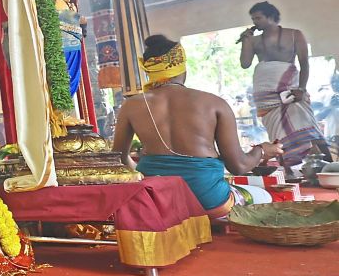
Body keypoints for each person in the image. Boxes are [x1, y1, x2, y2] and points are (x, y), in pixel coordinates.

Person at [113, 35, 283, 218]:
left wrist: (146, 176)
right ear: (182, 68)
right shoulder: (214, 103)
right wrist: (262, 150)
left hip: (156, 201)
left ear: (148, 70)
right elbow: (239, 166)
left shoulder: (131, 106)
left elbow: (119, 160)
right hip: (209, 201)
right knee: (263, 195)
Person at [239, 1, 330, 166]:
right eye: (253, 19)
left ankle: (331, 165)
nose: (255, 22)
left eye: (258, 18)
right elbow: (245, 64)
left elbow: (304, 63)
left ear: (271, 17)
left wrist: (301, 89)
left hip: (290, 89)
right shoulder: (253, 40)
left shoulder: (295, 34)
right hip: (264, 91)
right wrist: (246, 41)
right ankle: (288, 170)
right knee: (277, 135)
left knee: (307, 123)